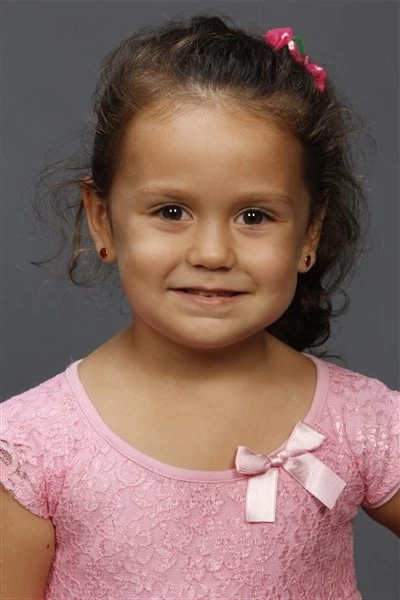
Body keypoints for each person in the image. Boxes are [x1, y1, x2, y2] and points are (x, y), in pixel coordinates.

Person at [1, 14, 399, 600]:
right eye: (171, 212)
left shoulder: (359, 421)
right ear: (102, 219)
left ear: (309, 231)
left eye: (254, 216)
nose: (212, 253)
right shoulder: (32, 448)